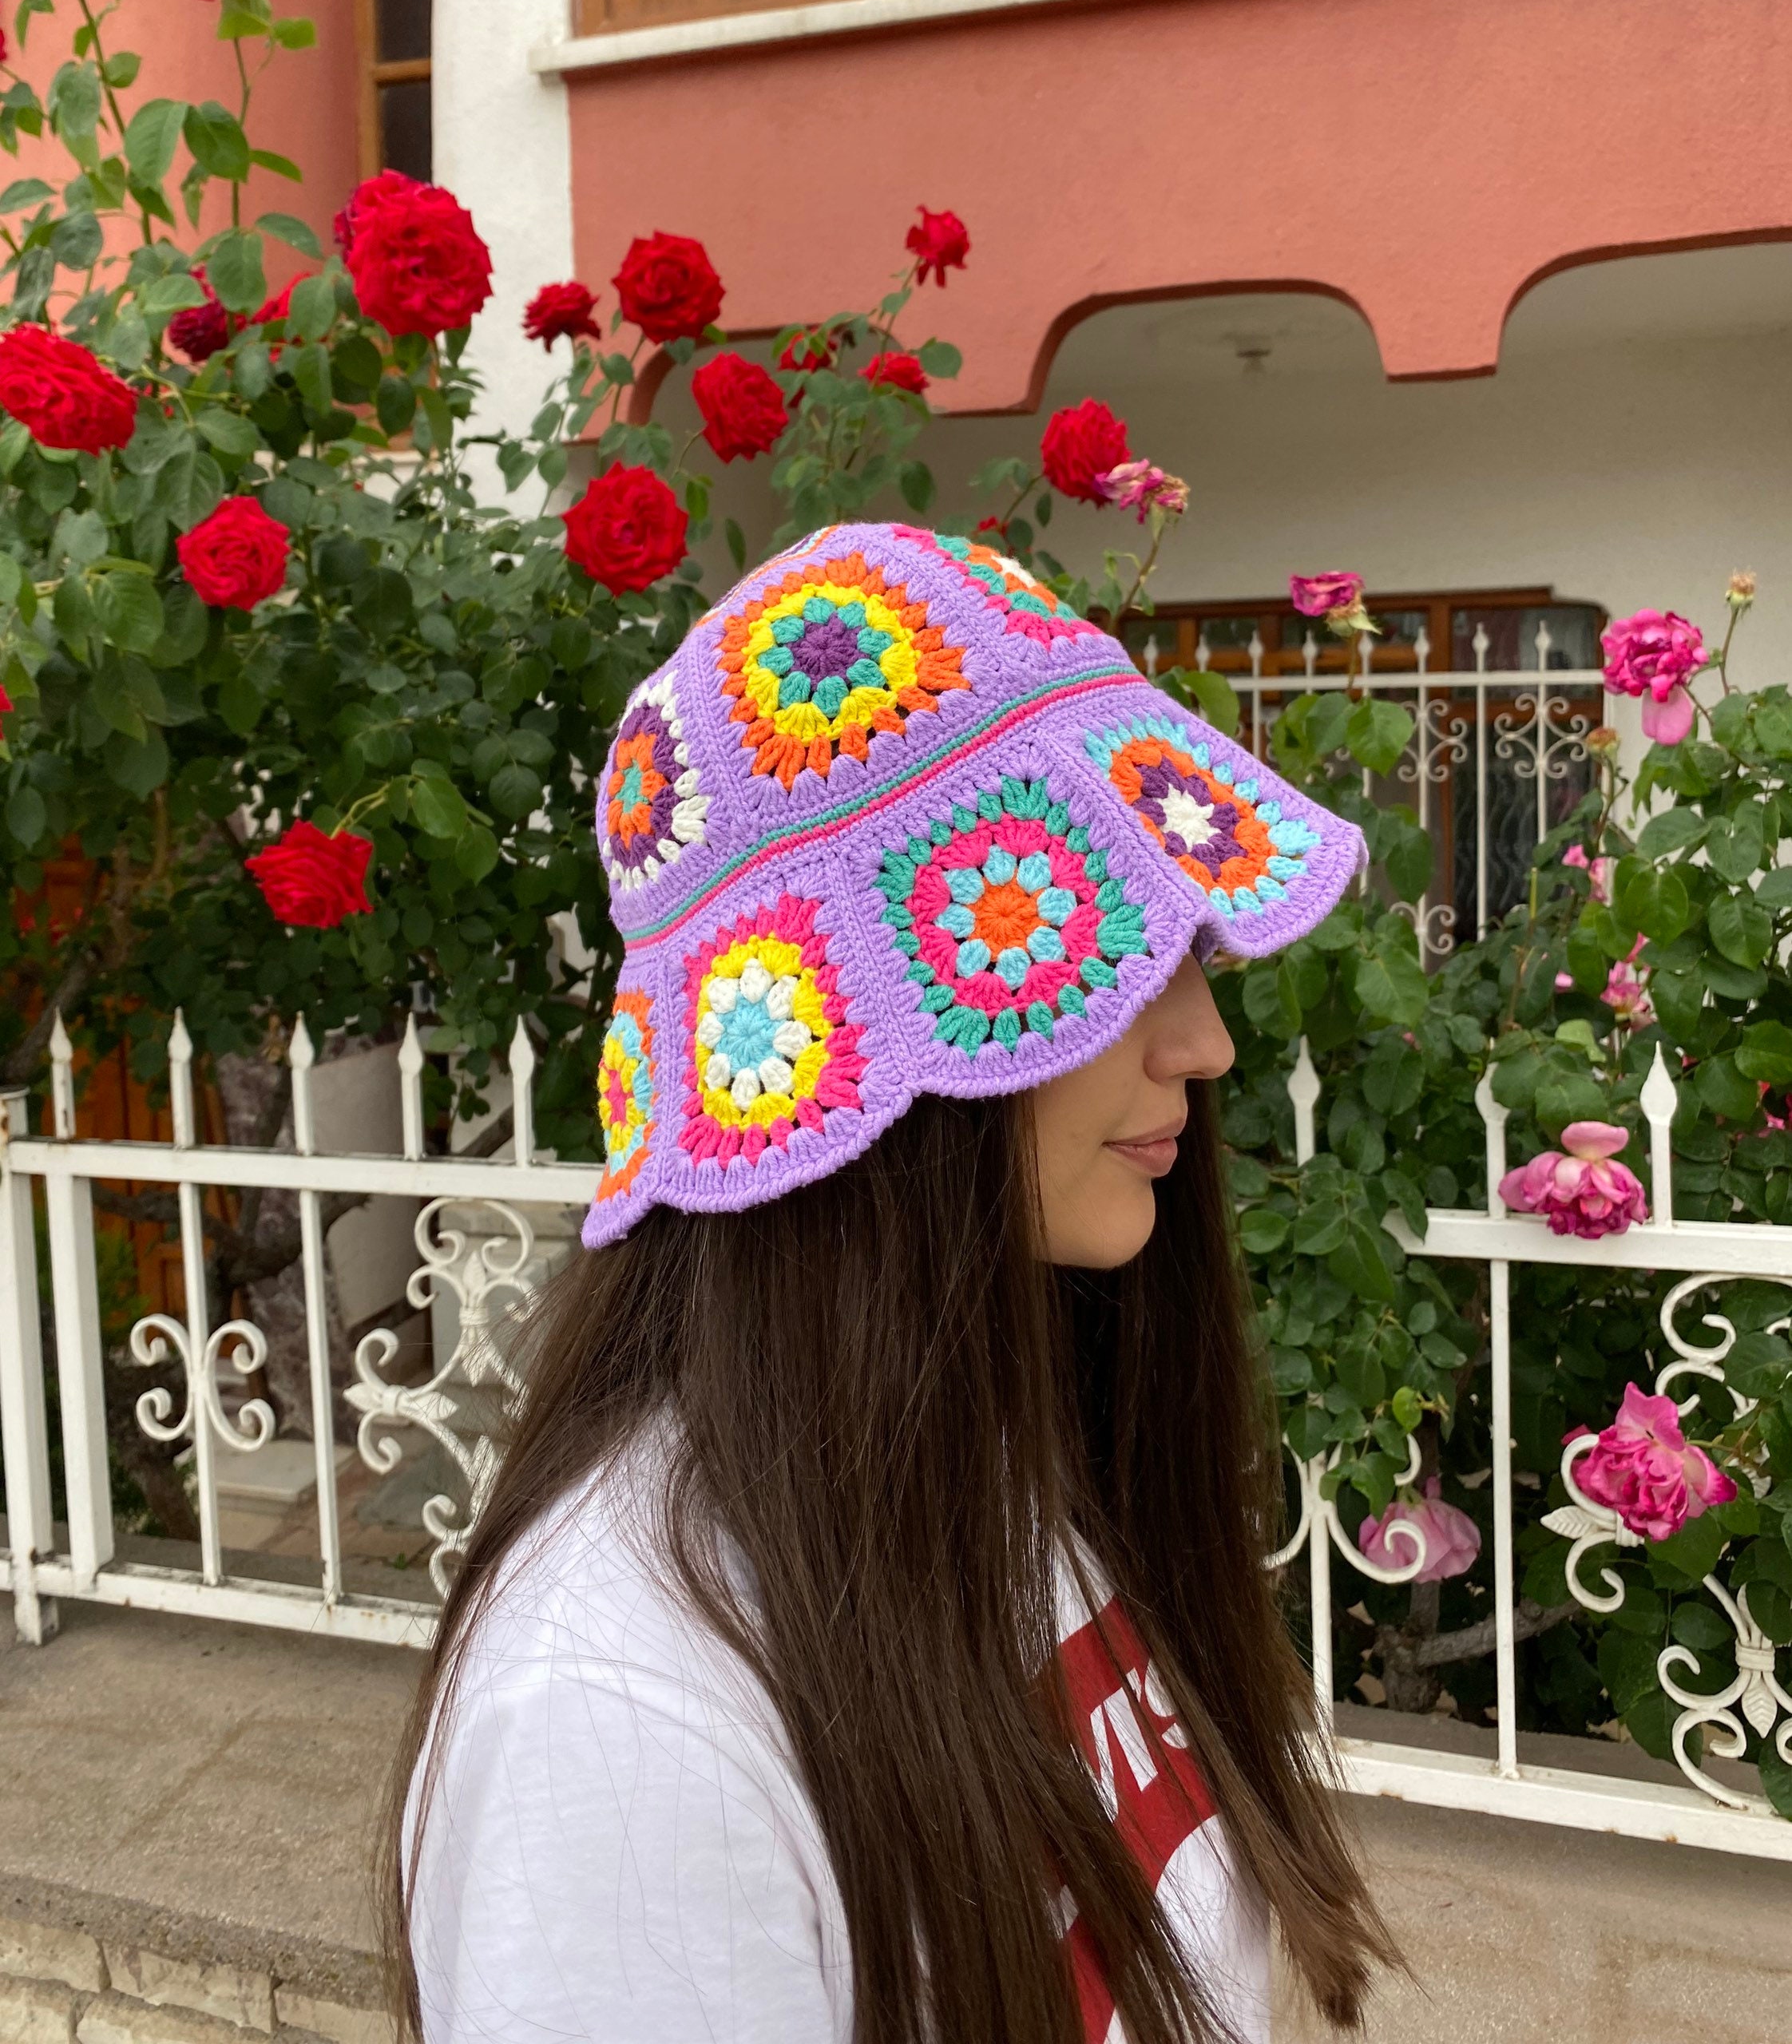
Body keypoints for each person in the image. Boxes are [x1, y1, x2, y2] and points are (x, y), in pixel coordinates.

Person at [384, 523, 1396, 2044]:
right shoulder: (619, 1721)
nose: (1206, 1043)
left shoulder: (990, 1463)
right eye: (1115, 959)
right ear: (874, 1066)